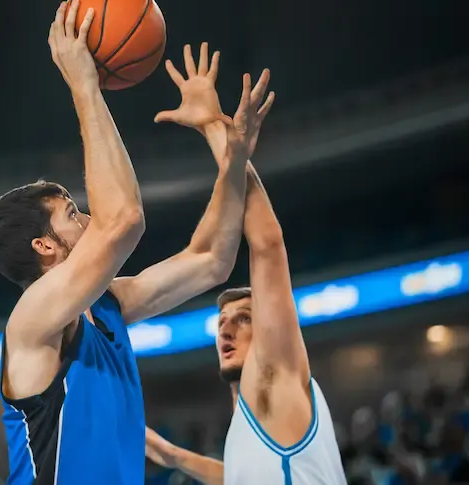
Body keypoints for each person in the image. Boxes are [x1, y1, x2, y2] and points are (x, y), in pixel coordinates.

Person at [0, 0, 264, 485]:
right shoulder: (32, 321)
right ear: (44, 246)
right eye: (71, 214)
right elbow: (123, 220)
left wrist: (227, 149)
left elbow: (212, 259)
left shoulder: (107, 305)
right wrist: (84, 84)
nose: (88, 218)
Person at [145, 46, 348, 484]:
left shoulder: (275, 375)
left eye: (242, 318)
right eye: (222, 320)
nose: (225, 328)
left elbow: (268, 244)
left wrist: (217, 133)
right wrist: (173, 456)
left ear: (274, 326)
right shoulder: (261, 414)